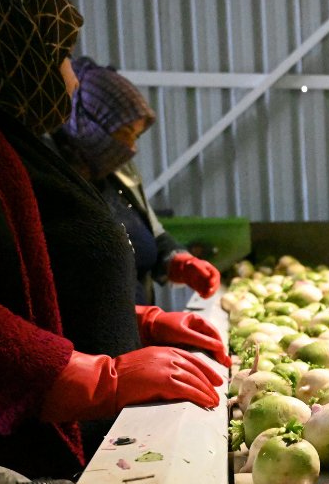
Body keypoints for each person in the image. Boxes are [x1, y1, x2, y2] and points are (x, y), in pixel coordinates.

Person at [0, 0, 224, 479]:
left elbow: (0, 282)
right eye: (60, 54)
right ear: (5, 43)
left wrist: (133, 321)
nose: (70, 77)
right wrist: (97, 380)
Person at [52, 56, 221, 306]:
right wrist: (147, 321)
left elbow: (151, 234)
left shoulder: (120, 171)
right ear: (87, 126)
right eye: (122, 133)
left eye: (136, 136)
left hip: (139, 338)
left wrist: (178, 261)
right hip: (87, 344)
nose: (130, 148)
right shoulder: (54, 184)